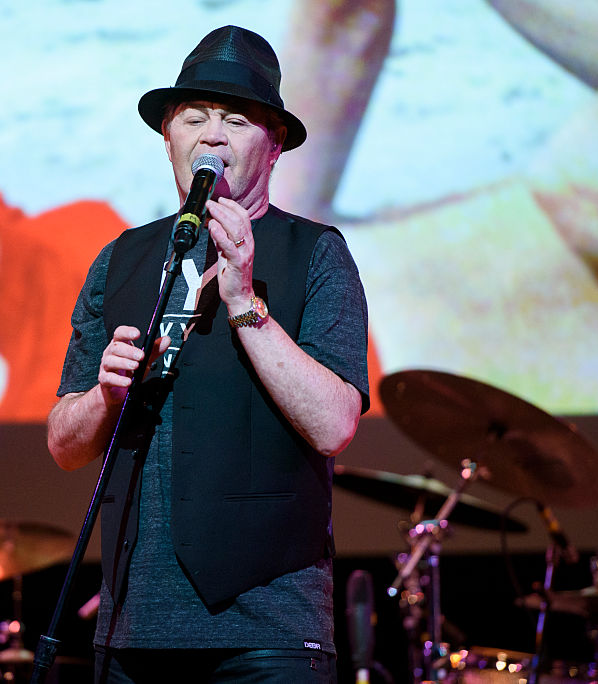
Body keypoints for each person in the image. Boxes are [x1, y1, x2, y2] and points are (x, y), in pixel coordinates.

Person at [47, 25, 370, 684]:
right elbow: (64, 444)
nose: (212, 135)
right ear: (168, 135)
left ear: (274, 144)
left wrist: (247, 302)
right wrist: (104, 397)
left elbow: (335, 423)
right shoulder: (121, 260)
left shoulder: (316, 254)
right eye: (193, 117)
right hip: (134, 632)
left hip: (269, 636)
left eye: (236, 119)